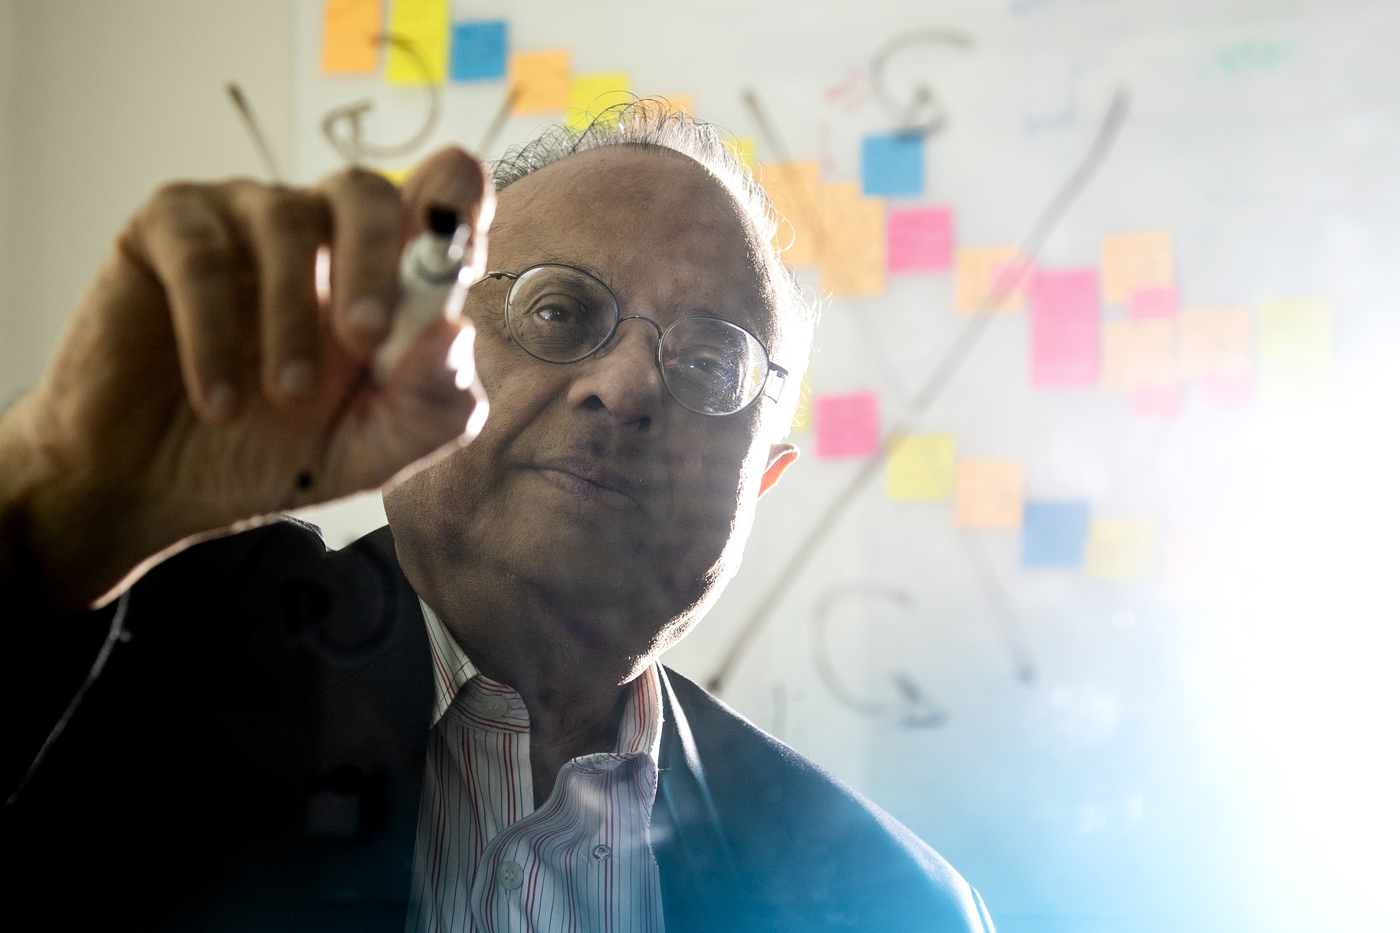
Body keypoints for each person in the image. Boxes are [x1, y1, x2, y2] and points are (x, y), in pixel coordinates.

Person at [0, 104, 994, 932]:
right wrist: (53, 483)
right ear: (422, 353)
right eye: (559, 314)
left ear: (762, 482)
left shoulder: (888, 904)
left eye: (706, 363)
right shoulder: (117, 644)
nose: (625, 385)